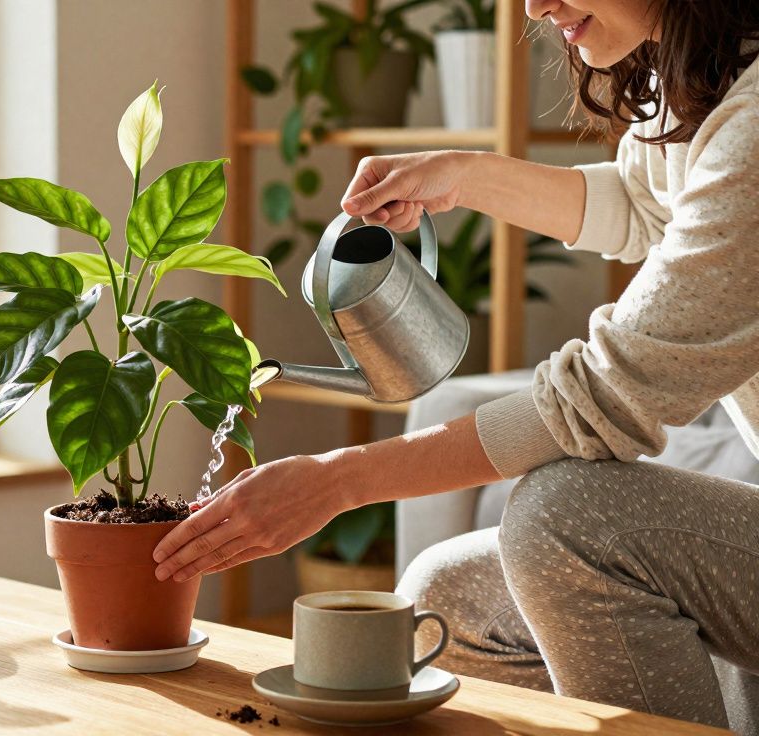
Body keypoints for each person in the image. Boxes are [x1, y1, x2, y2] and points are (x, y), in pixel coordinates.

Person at [153, 0, 759, 730]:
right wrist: (460, 176)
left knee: (566, 517)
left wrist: (336, 481)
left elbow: (603, 394)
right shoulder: (704, 81)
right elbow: (643, 205)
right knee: (449, 592)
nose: (537, 7)